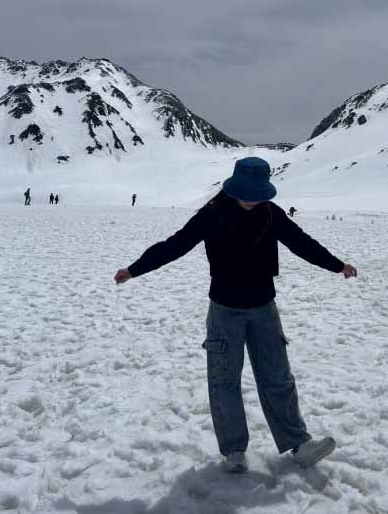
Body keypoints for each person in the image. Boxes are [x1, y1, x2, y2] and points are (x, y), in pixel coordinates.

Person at [113, 157, 357, 474]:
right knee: (224, 381)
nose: (252, 199)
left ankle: (299, 444)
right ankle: (234, 451)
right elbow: (174, 245)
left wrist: (337, 265)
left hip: (264, 309)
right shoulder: (212, 215)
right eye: (247, 193)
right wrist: (134, 270)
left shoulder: (271, 214)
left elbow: (301, 243)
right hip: (224, 311)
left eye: (258, 194)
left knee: (278, 377)